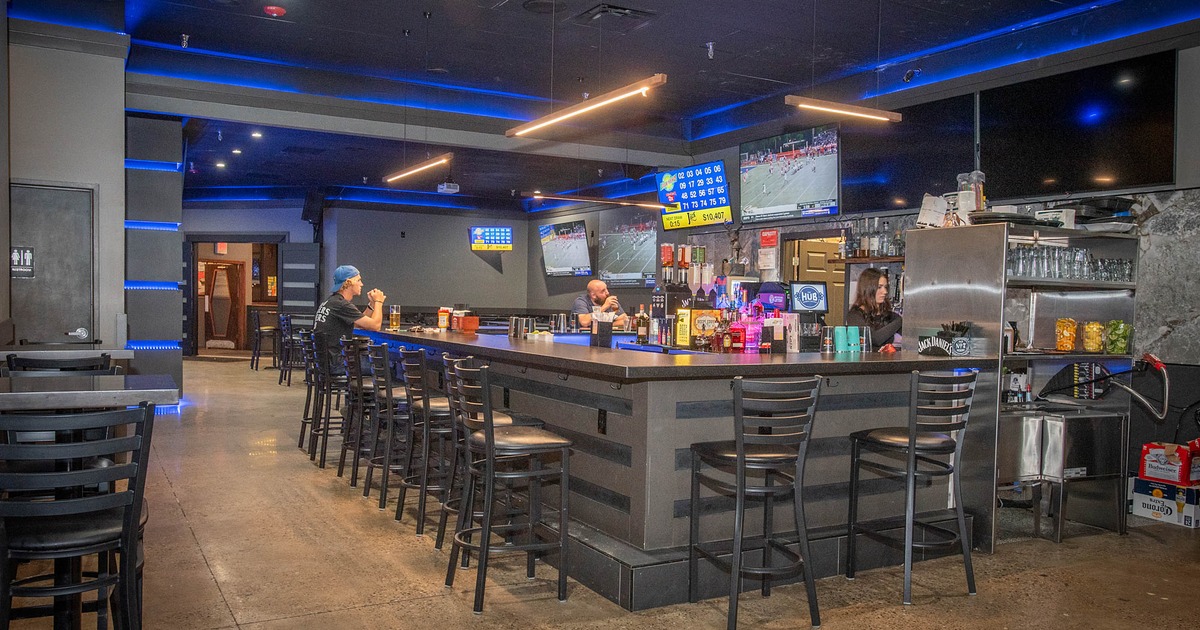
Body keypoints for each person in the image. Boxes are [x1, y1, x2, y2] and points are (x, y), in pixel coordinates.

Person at [313, 265, 386, 371]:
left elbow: (358, 323)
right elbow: (375, 326)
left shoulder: (332, 301)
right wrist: (379, 302)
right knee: (386, 367)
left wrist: (371, 304)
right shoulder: (341, 304)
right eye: (359, 280)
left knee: (382, 364)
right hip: (338, 364)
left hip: (327, 362)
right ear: (348, 282)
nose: (362, 284)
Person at [845, 267, 901, 350]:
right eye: (879, 287)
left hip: (887, 361)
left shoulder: (889, 315)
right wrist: (901, 320)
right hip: (864, 362)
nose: (885, 291)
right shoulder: (855, 315)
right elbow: (875, 339)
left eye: (885, 287)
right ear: (868, 289)